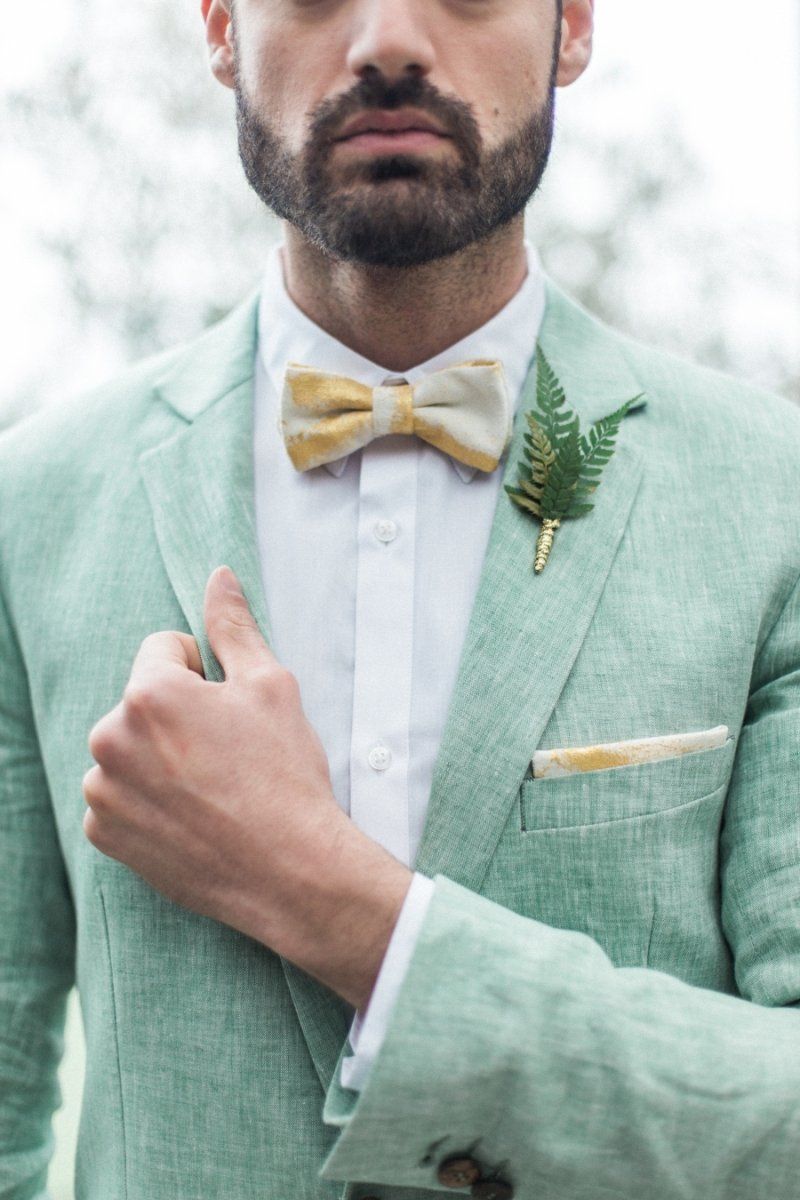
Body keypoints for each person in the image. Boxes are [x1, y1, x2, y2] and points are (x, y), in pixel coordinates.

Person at [0, 0, 798, 1197]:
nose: (387, 39)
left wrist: (327, 897)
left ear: (571, 26)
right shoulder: (31, 502)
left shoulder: (773, 497)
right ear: (219, 27)